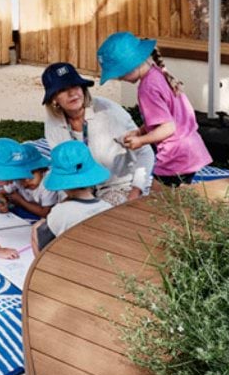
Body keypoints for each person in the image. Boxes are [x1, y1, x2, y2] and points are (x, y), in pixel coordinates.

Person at [97, 31, 212, 186]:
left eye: (119, 74)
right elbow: (166, 117)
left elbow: (168, 128)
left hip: (176, 156)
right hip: (191, 149)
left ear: (130, 66)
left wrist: (141, 141)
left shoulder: (147, 89)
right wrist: (140, 131)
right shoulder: (157, 74)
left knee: (157, 202)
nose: (119, 78)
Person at [40, 61, 153, 206]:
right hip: (79, 189)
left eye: (75, 85)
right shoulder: (53, 122)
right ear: (54, 98)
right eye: (62, 89)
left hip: (118, 187)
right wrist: (66, 203)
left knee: (101, 221)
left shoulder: (109, 113)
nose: (72, 93)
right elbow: (62, 167)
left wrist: (135, 192)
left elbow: (145, 152)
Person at [33, 140, 114, 250]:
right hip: (97, 256)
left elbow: (43, 244)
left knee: (37, 228)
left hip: (68, 259)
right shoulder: (107, 207)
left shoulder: (60, 212)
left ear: (62, 184)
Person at [0, 141, 51, 217]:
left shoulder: (48, 183)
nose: (27, 180)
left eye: (32, 173)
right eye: (22, 177)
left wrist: (20, 201)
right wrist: (1, 201)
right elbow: (0, 193)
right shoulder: (17, 179)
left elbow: (45, 213)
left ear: (42, 170)